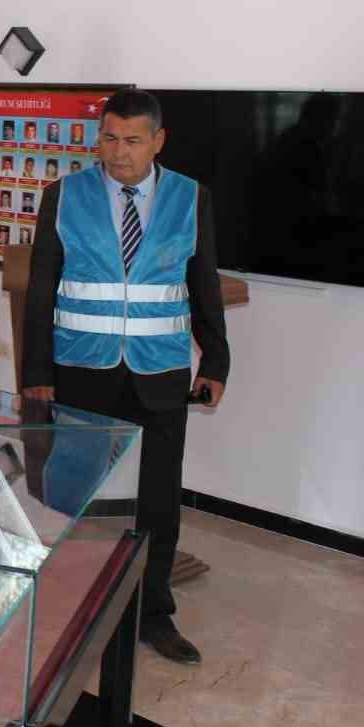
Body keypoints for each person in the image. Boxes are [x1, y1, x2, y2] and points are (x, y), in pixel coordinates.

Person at [22, 89, 229, 667]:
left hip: (160, 370)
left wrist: (216, 360)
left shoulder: (191, 198)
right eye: (109, 138)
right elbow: (42, 289)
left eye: (133, 141)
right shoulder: (64, 196)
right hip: (82, 367)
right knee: (74, 493)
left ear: (158, 141)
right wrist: (36, 372)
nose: (118, 153)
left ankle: (153, 613)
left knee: (159, 498)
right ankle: (68, 602)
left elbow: (202, 281)